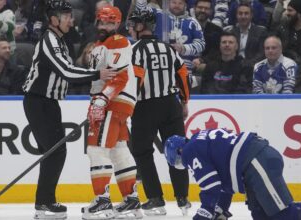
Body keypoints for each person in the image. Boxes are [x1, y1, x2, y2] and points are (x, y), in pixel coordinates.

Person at [22, 0, 119, 219]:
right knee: (55, 151)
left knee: (54, 152)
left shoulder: (60, 40)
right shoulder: (49, 39)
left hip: (48, 102)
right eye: (66, 16)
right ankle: (44, 203)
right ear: (54, 19)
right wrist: (97, 74)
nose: (71, 19)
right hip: (38, 102)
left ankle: (44, 202)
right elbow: (66, 71)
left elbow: (69, 70)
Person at [164, 129, 301, 220]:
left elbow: (210, 187)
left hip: (255, 162)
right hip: (254, 162)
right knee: (263, 217)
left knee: (281, 215)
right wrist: (220, 210)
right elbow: (224, 187)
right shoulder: (200, 141)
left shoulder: (190, 151)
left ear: (178, 153)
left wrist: (206, 214)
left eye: (178, 162)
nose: (183, 165)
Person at [81, 5, 144, 220]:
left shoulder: (117, 41)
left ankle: (102, 201)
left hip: (112, 101)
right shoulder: (102, 44)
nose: (104, 25)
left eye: (109, 22)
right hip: (116, 102)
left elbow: (119, 77)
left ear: (117, 23)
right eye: (101, 21)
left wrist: (101, 100)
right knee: (118, 149)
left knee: (97, 148)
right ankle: (131, 199)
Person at [128, 8, 192, 216]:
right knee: (178, 151)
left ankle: (155, 199)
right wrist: (184, 101)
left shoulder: (135, 50)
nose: (130, 28)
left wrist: (128, 105)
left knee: (141, 152)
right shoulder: (168, 48)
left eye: (133, 24)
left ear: (140, 26)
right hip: (170, 105)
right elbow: (182, 74)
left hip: (145, 107)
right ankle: (183, 198)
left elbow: (136, 80)